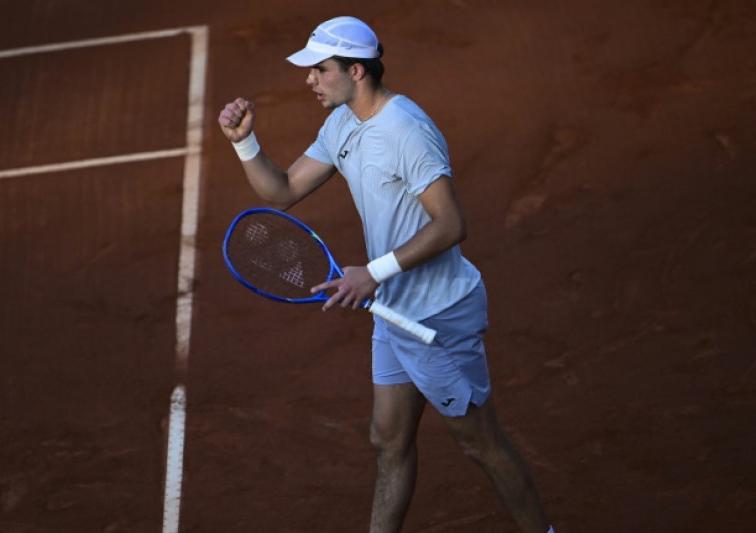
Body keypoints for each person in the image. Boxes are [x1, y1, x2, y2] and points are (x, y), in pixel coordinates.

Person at [217, 15, 553, 533]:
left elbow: (452, 223)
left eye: (319, 69)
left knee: (479, 442)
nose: (309, 78)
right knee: (388, 439)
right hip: (394, 312)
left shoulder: (407, 131)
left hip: (437, 315)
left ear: (356, 71)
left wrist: (373, 273)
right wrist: (245, 142)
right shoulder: (342, 123)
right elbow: (281, 192)